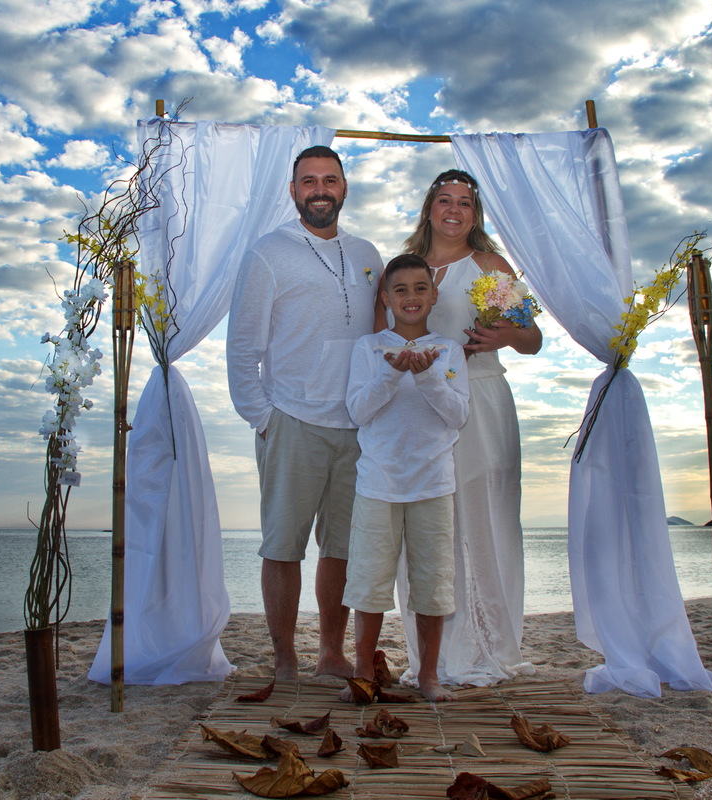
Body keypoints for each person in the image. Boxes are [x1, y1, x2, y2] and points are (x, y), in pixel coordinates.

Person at [227, 145, 384, 681]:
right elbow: (243, 346)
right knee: (283, 546)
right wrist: (264, 418)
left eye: (330, 180)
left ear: (344, 187)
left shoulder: (367, 254)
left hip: (358, 425)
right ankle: (285, 657)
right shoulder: (268, 252)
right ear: (293, 191)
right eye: (309, 181)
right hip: (291, 420)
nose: (320, 189)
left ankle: (331, 653)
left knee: (340, 549)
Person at [392, 169, 543, 686]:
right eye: (444, 200)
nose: (454, 211)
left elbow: (533, 338)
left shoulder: (488, 266)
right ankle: (430, 655)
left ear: (476, 215)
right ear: (429, 206)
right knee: (428, 526)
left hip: (480, 400)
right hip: (416, 408)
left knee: (482, 520)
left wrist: (506, 335)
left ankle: (486, 647)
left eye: (466, 203)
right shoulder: (408, 267)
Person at [342, 254, 469, 702]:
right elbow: (358, 411)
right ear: (385, 298)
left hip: (433, 483)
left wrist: (430, 378)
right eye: (400, 290)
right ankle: (362, 672)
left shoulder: (448, 351)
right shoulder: (369, 349)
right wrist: (391, 374)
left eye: (420, 288)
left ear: (434, 295)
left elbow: (457, 416)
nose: (411, 297)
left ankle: (429, 675)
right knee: (370, 582)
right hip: (378, 482)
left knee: (432, 583)